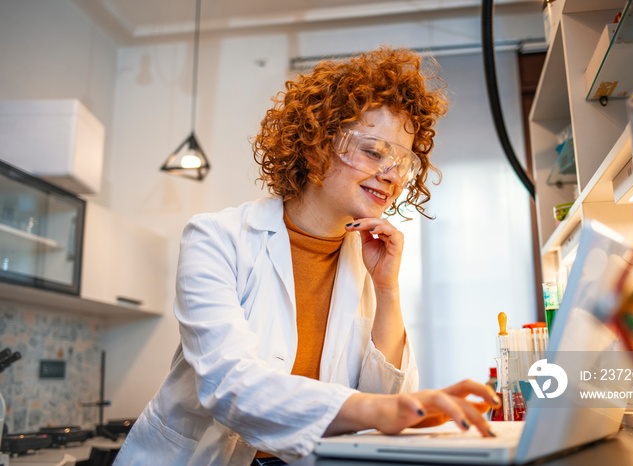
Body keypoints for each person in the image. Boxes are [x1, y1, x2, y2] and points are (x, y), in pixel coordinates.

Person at [113, 47, 500, 466]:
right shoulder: (216, 238)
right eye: (373, 152)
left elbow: (386, 405)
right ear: (316, 146)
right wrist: (384, 412)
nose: (391, 175)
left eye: (402, 162)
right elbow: (229, 385)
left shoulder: (367, 257)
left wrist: (387, 288)